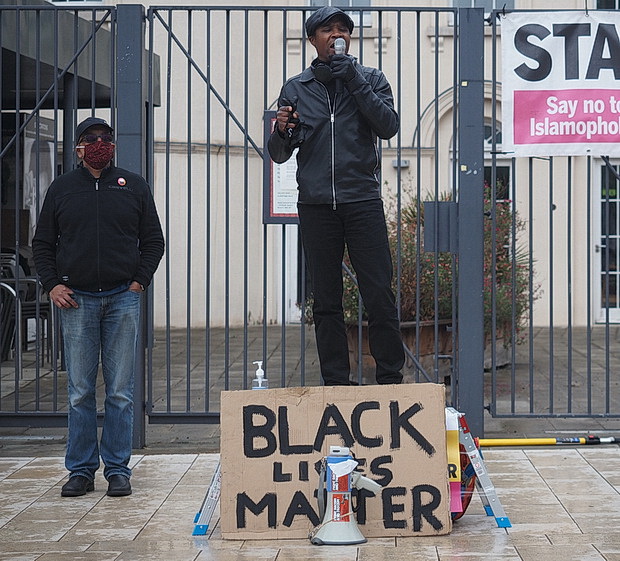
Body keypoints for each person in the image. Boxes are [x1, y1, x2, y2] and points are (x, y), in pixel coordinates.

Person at [268, 6, 404, 386]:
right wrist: (281, 131)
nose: (336, 34)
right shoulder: (296, 88)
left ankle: (390, 377)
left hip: (361, 200)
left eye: (343, 29)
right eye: (327, 29)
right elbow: (279, 153)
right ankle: (337, 382)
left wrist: (355, 80)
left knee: (378, 293)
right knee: (326, 301)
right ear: (313, 39)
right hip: (316, 206)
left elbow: (388, 126)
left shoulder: (372, 79)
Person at [33, 117, 165, 497]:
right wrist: (53, 284)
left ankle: (118, 470)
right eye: (91, 139)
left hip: (123, 297)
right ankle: (81, 471)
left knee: (121, 391)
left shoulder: (133, 187)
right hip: (77, 302)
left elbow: (153, 240)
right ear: (78, 147)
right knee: (79, 391)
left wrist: (139, 281)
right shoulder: (61, 189)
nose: (99, 144)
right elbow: (42, 244)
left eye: (106, 139)